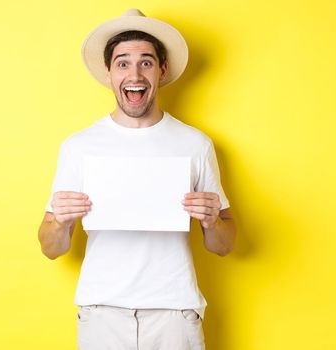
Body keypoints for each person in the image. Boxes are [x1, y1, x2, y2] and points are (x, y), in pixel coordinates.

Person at [37, 9, 236, 350]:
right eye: (123, 63)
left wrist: (214, 221)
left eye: (146, 62)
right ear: (109, 73)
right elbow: (51, 248)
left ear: (162, 70)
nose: (135, 73)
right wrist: (59, 221)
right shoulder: (78, 146)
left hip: (175, 313)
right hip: (101, 315)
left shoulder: (195, 143)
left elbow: (224, 245)